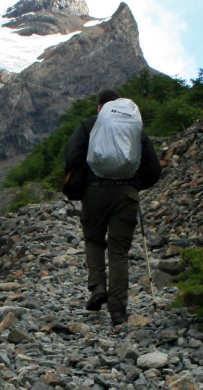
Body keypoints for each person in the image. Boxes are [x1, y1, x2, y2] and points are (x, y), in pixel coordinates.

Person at [64, 88, 161, 326]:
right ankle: (118, 312)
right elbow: (154, 169)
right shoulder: (134, 127)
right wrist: (136, 184)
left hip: (95, 192)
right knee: (119, 252)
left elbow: (71, 156)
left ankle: (97, 286)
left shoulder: (89, 125)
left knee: (94, 239)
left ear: (100, 108)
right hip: (126, 194)